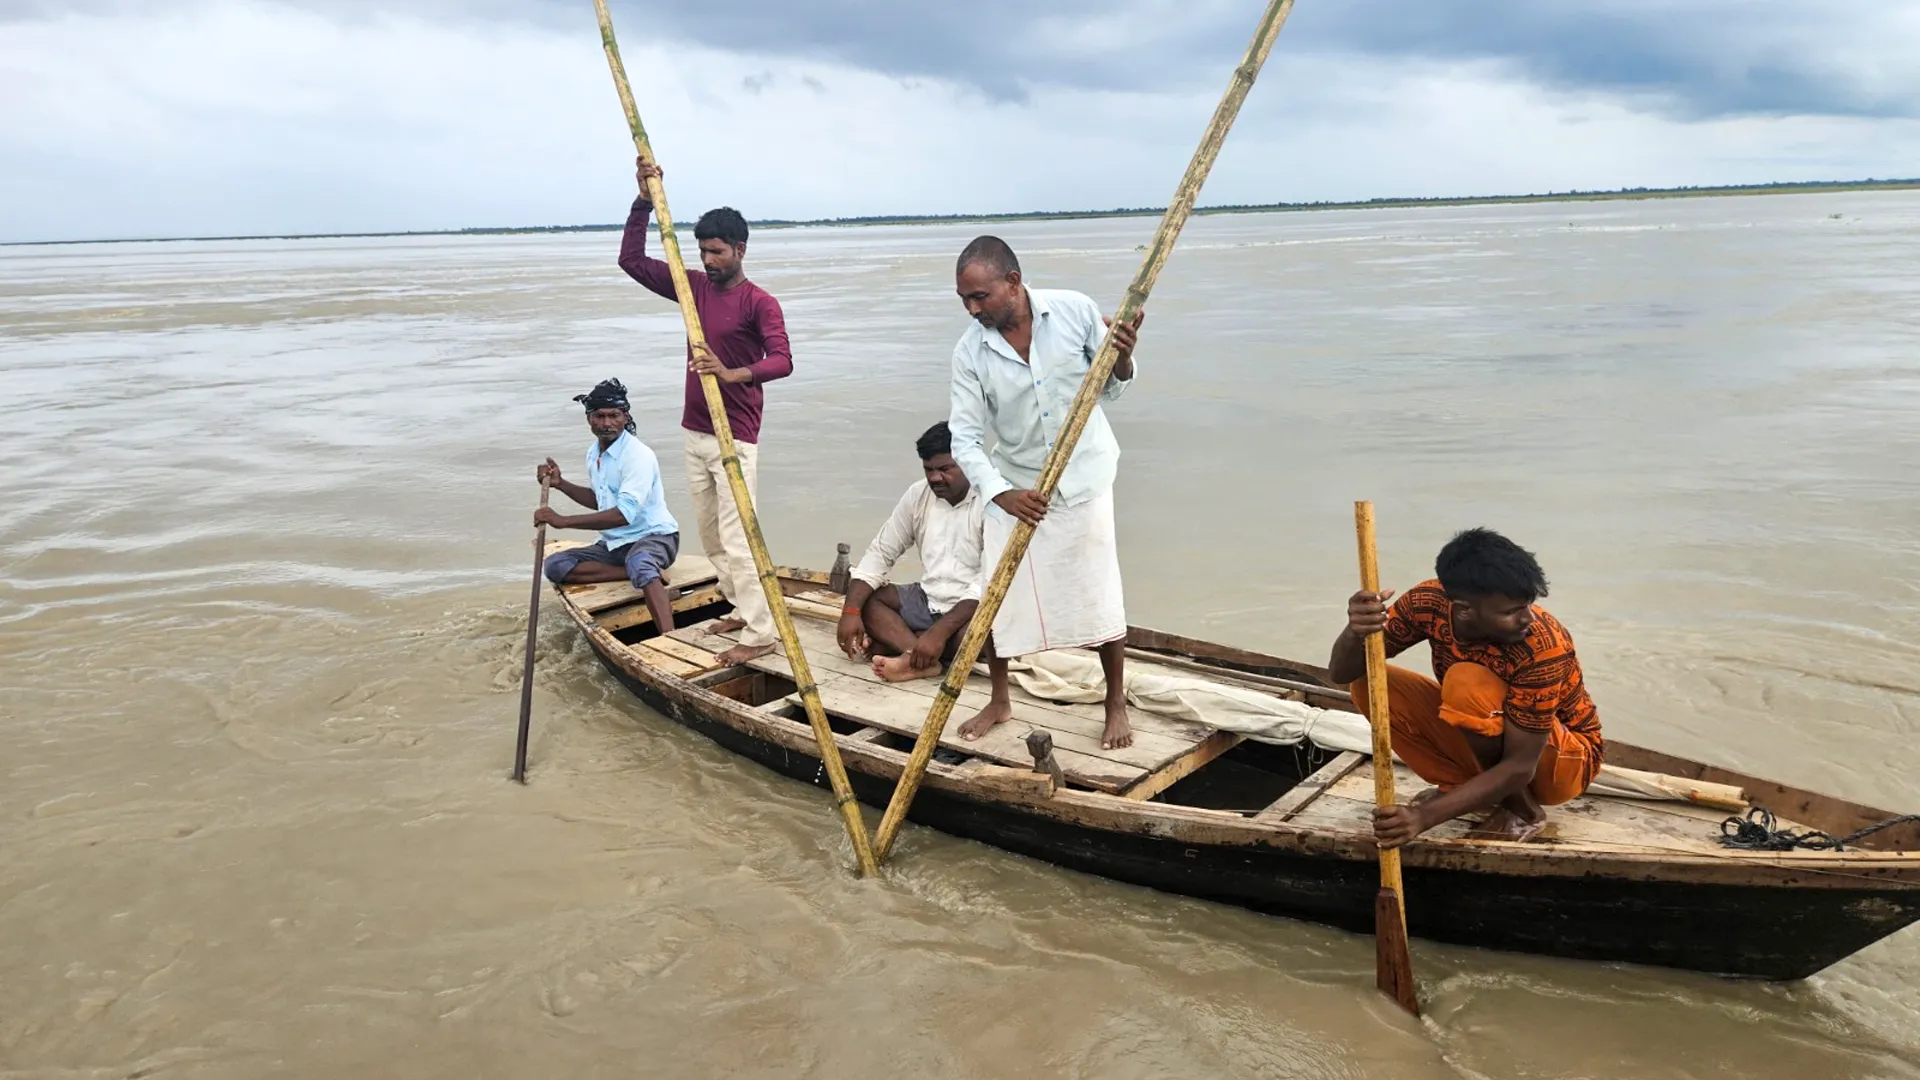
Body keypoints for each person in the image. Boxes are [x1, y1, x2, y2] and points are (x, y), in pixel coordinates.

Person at [945, 236, 1144, 751]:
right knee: (996, 592)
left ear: (1013, 282)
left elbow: (1111, 387)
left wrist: (1123, 359)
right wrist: (1002, 494)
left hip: (1085, 476)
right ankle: (1000, 698)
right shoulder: (970, 351)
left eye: (980, 296)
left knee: (1100, 591)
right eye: (965, 300)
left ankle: (1115, 701)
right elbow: (964, 438)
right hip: (1018, 484)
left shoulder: (1074, 311)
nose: (973, 309)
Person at [1327, 527, 1603, 847]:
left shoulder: (1541, 645)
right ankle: (1464, 786)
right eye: (1511, 611)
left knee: (1466, 683)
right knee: (1370, 683)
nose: (1528, 618)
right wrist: (1356, 631)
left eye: (1528, 605)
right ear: (1464, 610)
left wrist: (1423, 818)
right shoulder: (1427, 603)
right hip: (1494, 742)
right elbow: (1342, 673)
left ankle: (1523, 811)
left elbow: (1520, 766)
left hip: (1565, 762)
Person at [618, 159, 791, 667]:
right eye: (703, 252)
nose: (709, 260)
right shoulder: (692, 287)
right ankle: (740, 605)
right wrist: (643, 201)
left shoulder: (759, 302)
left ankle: (762, 633)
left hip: (735, 436)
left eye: (717, 251)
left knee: (739, 539)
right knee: (712, 536)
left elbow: (782, 360)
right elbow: (631, 260)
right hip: (694, 431)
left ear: (740, 250)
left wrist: (732, 373)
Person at [835, 421, 986, 682]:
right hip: (929, 599)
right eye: (928, 469)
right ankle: (917, 656)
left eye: (945, 469)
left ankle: (912, 648)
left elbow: (988, 582)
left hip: (970, 610)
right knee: (867, 600)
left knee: (981, 636)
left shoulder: (992, 501)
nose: (935, 478)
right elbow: (881, 552)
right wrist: (850, 611)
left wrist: (938, 633)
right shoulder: (918, 495)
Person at [538, 378, 682, 633]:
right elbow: (601, 501)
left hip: (655, 537)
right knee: (555, 566)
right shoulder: (594, 453)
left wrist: (564, 521)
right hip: (615, 544)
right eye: (599, 416)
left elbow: (623, 515)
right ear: (589, 419)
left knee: (641, 561)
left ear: (625, 417)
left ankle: (670, 637)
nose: (606, 423)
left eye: (614, 415)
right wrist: (561, 484)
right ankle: (634, 571)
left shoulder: (638, 456)